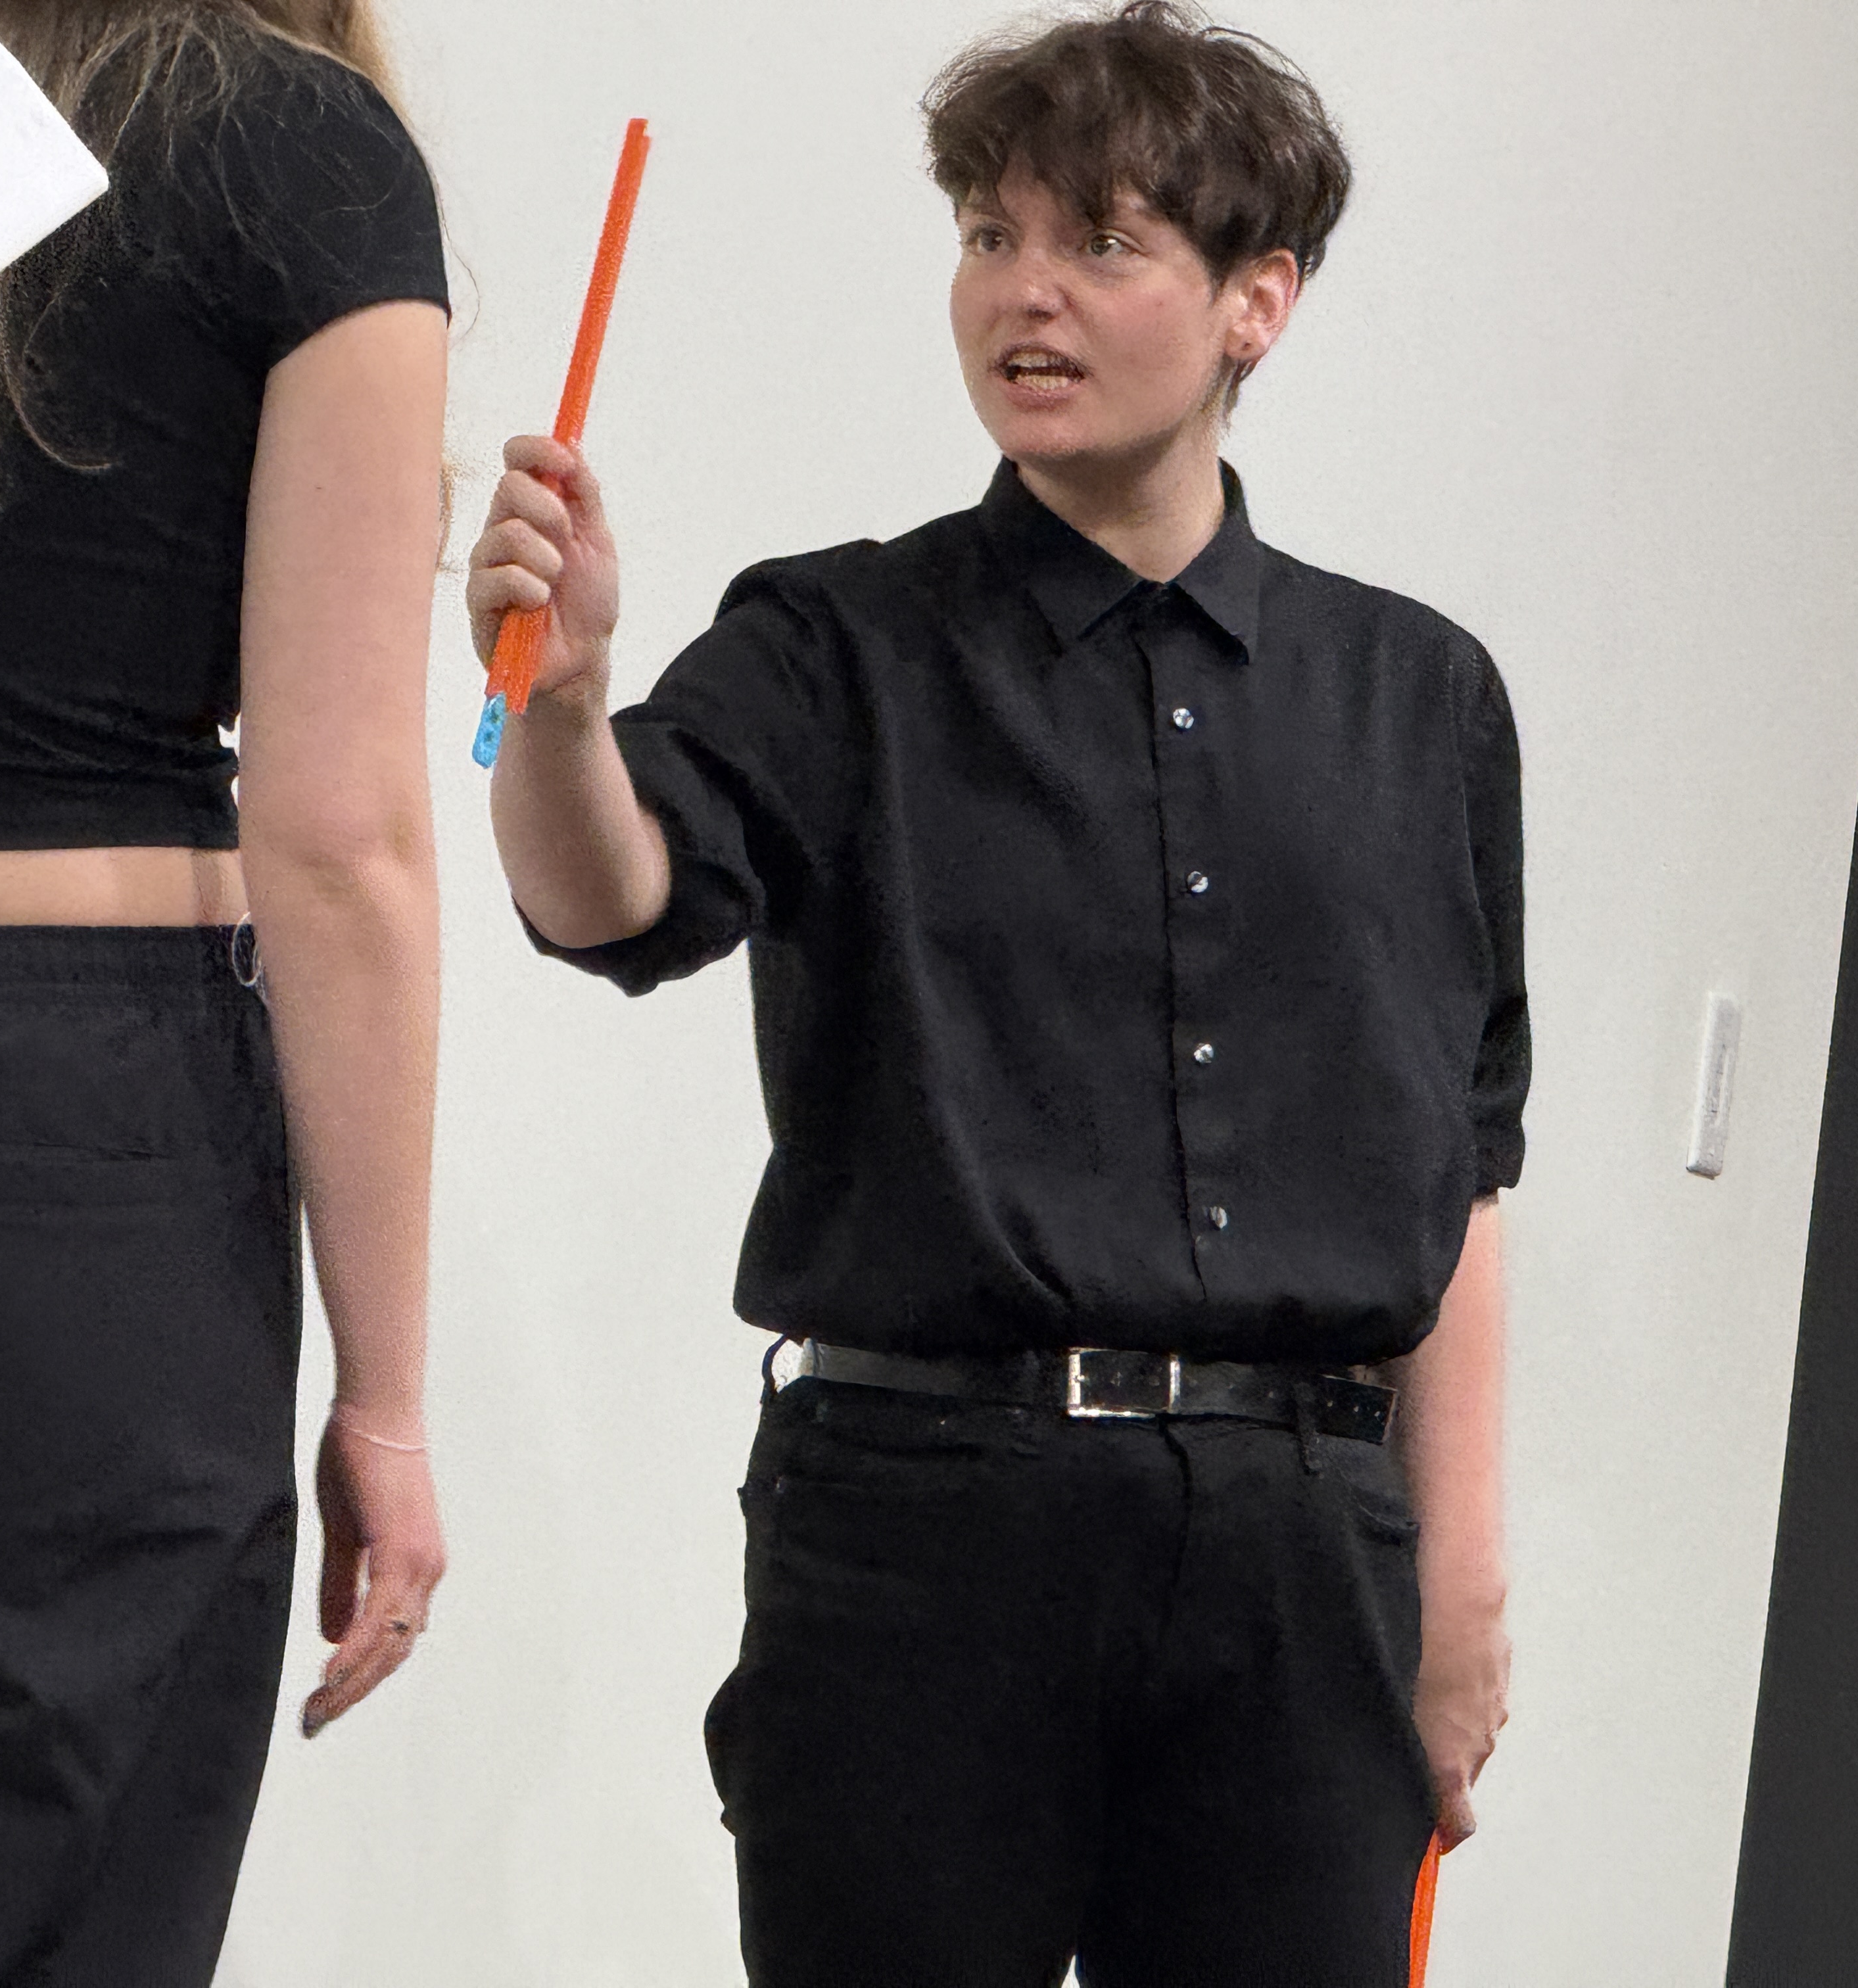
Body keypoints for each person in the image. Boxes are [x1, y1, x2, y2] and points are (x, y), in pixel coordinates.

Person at [474, 4, 1521, 1981]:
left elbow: (1462, 1160)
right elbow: (607, 899)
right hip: (927, 1528)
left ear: (1255, 303)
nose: (1020, 297)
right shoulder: (834, 641)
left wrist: (1458, 1589)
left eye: (1101, 245)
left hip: (1305, 1551)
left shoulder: (1425, 700)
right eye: (983, 234)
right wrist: (569, 700)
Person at [0, 3, 448, 1981]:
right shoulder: (294, 151)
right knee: (35, 1906)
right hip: (46, 1136)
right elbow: (342, 838)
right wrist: (386, 1399)